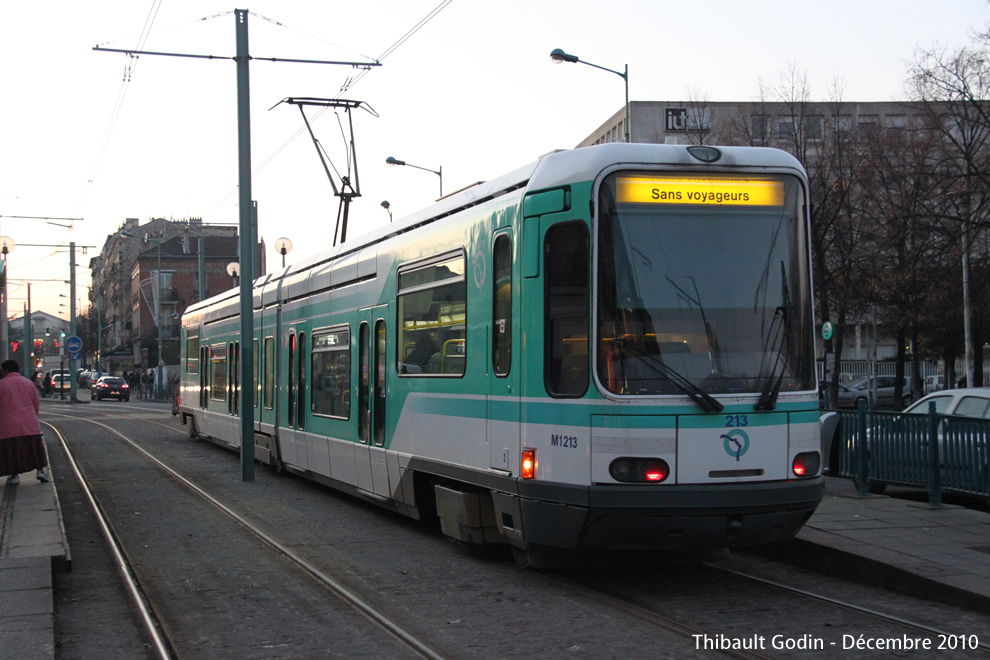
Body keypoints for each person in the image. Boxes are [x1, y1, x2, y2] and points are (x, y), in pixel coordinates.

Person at [0, 359, 49, 485]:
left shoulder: (2, 384)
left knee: (12, 450)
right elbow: (35, 403)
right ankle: (40, 471)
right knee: (34, 448)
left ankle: (14, 475)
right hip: (29, 422)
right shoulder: (28, 383)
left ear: (6, 370)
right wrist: (33, 416)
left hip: (8, 423)